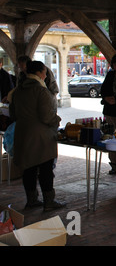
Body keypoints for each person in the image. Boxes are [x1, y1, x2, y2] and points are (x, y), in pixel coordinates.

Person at [9, 61, 66, 211]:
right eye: (45, 72)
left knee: (29, 170)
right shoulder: (41, 91)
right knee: (46, 169)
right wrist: (57, 120)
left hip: (23, 135)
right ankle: (49, 201)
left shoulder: (18, 91)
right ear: (40, 73)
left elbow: (13, 114)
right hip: (41, 137)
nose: (46, 75)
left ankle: (31, 199)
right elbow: (47, 116)